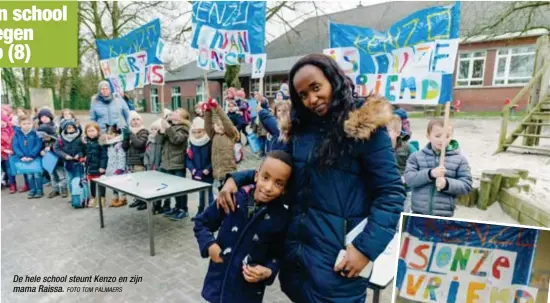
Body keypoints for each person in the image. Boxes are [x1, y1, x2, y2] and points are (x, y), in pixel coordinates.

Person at [216, 53, 405, 302]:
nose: (312, 99)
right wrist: (236, 180)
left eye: (316, 88)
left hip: (339, 265)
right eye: (303, 95)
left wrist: (364, 249)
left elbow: (391, 193)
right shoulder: (300, 130)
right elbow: (276, 174)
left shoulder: (364, 127)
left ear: (333, 80)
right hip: (298, 262)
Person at [193, 150, 293, 303]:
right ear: (256, 175)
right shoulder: (232, 198)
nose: (268, 187)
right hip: (218, 288)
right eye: (265, 178)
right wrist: (209, 245)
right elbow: (201, 223)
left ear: (284, 189)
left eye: (278, 183)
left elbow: (278, 254)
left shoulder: (281, 217)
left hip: (248, 295)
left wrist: (268, 271)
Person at [404, 118, 473, 217]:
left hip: (444, 214)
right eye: (437, 136)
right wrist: (430, 174)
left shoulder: (460, 160)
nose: (442, 140)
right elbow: (409, 179)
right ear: (428, 136)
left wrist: (447, 184)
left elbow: (466, 186)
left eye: (447, 136)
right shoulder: (416, 157)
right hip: (418, 212)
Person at [157, 108, 191, 219]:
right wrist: (161, 131)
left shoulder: (184, 128)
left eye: (177, 112)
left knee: (180, 188)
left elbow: (177, 140)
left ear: (182, 117)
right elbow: (158, 141)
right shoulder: (171, 126)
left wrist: (168, 128)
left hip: (178, 163)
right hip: (167, 162)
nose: (173, 113)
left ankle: (183, 209)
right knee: (173, 188)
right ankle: (176, 207)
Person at [203, 98, 239, 196]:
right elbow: (207, 125)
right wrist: (207, 111)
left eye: (221, 124)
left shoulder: (230, 135)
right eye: (216, 124)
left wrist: (217, 108)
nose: (219, 126)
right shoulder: (213, 135)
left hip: (228, 173)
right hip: (217, 174)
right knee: (219, 197)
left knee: (230, 197)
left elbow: (226, 121)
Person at [387, 115, 417, 213]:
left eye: (387, 131)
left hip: (405, 190)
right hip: (387, 190)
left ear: (397, 132)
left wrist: (406, 176)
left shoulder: (407, 147)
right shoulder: (380, 149)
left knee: (403, 217)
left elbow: (419, 163)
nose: (384, 134)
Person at [186, 117, 214, 217]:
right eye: (194, 132)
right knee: (200, 193)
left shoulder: (209, 142)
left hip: (207, 172)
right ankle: (201, 211)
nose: (197, 135)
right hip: (196, 171)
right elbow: (188, 158)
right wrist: (192, 169)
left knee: (208, 193)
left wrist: (208, 168)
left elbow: (213, 158)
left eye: (199, 132)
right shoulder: (191, 142)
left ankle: (210, 212)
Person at [12, 115, 44, 199]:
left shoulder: (35, 133)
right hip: (24, 158)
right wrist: (21, 156)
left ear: (32, 124)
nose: (27, 125)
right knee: (29, 175)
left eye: (28, 123)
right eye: (24, 124)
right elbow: (15, 146)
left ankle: (39, 190)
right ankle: (32, 189)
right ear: (20, 125)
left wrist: (32, 155)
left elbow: (38, 144)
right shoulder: (17, 134)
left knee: (37, 174)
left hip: (34, 158)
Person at [123, 111, 149, 211]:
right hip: (131, 161)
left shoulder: (143, 131)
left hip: (140, 161)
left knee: (141, 182)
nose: (135, 121)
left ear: (141, 121)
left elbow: (139, 144)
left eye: (137, 119)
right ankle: (138, 199)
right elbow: (125, 147)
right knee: (135, 183)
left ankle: (144, 201)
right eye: (133, 120)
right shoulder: (130, 132)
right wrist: (125, 138)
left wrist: (131, 134)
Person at [55, 119, 85, 202]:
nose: (71, 129)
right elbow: (56, 149)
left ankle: (82, 194)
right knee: (70, 179)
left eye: (72, 128)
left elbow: (84, 149)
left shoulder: (79, 137)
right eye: (68, 128)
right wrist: (65, 156)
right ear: (65, 129)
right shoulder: (61, 139)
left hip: (79, 162)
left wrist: (79, 155)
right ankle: (73, 195)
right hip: (68, 162)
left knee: (80, 178)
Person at [37, 124, 67, 198]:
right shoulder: (43, 141)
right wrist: (42, 151)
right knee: (53, 177)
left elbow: (61, 151)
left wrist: (52, 149)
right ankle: (55, 190)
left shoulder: (58, 141)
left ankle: (63, 189)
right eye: (43, 136)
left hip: (59, 163)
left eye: (46, 136)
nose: (45, 138)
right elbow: (41, 149)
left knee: (62, 177)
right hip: (50, 164)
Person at [83, 122, 107, 208]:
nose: (91, 133)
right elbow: (84, 152)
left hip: (99, 166)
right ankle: (93, 197)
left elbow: (104, 155)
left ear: (97, 131)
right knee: (92, 183)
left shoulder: (101, 142)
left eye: (93, 130)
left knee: (101, 183)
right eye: (89, 131)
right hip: (90, 166)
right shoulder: (86, 142)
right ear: (86, 133)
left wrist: (103, 166)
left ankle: (102, 198)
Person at [1, 112, 16, 193]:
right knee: (9, 170)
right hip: (5, 154)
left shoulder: (13, 129)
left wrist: (13, 150)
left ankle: (27, 184)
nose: (2, 123)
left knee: (18, 168)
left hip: (14, 152)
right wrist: (4, 150)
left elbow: (16, 141)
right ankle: (12, 185)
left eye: (3, 121)